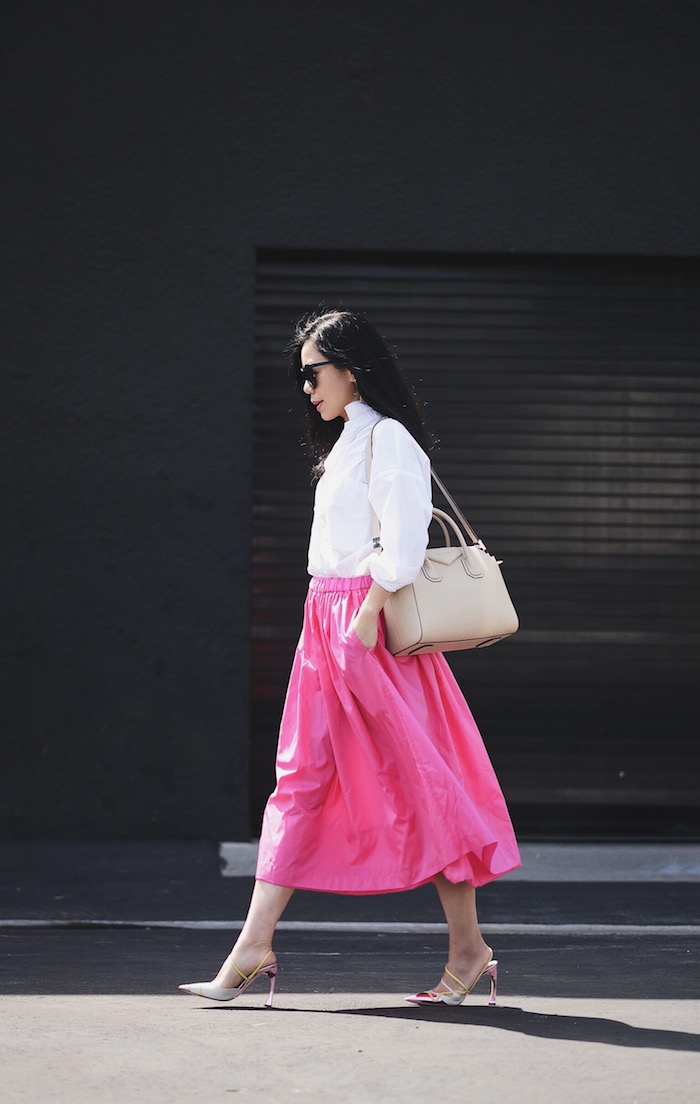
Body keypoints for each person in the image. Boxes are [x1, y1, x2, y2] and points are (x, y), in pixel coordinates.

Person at [179, 309, 520, 1008]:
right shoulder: (346, 444)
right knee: (300, 778)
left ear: (350, 369)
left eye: (313, 373)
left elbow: (402, 543)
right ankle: (252, 947)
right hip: (326, 620)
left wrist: (363, 622)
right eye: (301, 376)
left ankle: (468, 948)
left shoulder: (388, 440)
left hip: (367, 627)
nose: (305, 388)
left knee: (419, 781)